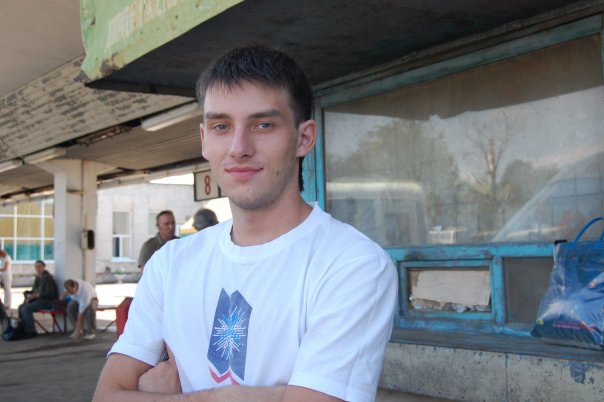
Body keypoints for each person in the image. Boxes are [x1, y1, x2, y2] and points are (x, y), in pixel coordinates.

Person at [93, 45, 397, 402]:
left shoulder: (352, 264)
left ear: (304, 138)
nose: (239, 147)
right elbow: (106, 396)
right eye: (221, 126)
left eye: (263, 125)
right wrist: (230, 398)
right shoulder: (169, 265)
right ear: (204, 140)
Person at [17, 260, 59, 338]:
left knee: (26, 308)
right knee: (21, 307)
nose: (38, 268)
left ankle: (31, 331)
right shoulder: (38, 277)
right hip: (39, 300)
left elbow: (50, 293)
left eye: (39, 266)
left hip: (48, 301)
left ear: (43, 267)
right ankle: (23, 329)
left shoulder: (48, 278)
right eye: (36, 267)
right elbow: (34, 290)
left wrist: (37, 295)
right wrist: (28, 295)